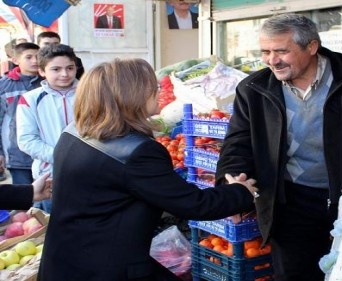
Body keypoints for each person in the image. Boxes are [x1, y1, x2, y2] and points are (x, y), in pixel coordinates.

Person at [215, 14, 342, 281]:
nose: (272, 60)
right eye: (265, 51)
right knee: (294, 274)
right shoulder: (253, 89)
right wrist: (232, 180)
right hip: (291, 204)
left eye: (282, 51)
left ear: (311, 47)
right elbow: (237, 144)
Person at [37, 58, 258, 281]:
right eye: (152, 86)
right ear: (131, 95)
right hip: (106, 268)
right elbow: (194, 204)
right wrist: (240, 191)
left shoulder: (71, 133)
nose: (158, 90)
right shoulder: (136, 152)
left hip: (64, 260)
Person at [16, 44, 78, 214]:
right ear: (42, 71)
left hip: (88, 173)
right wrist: (60, 156)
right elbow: (27, 140)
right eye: (56, 69)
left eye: (70, 68)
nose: (64, 74)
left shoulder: (91, 94)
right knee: (55, 226)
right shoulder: (30, 100)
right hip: (51, 177)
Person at [0, 43, 43, 185]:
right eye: (28, 57)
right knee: (23, 200)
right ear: (16, 60)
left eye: (38, 56)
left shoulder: (48, 83)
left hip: (45, 153)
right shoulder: (5, 86)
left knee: (47, 201)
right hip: (17, 155)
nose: (35, 61)